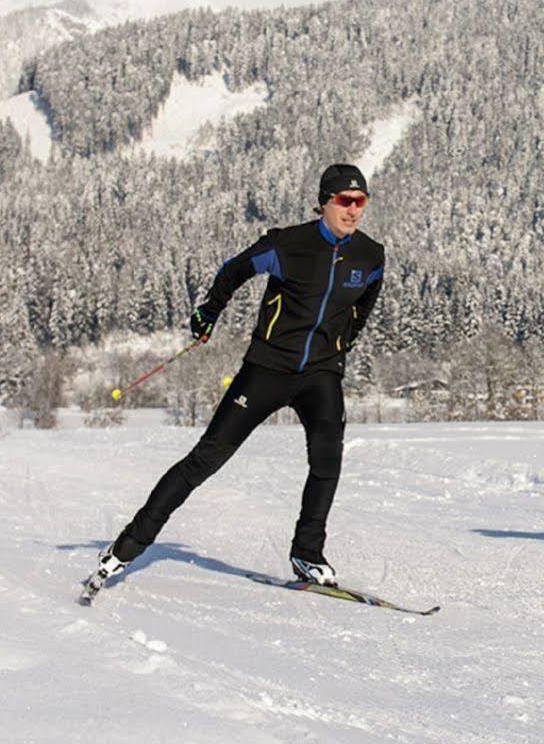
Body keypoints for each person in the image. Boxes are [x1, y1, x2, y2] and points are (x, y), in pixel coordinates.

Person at [82, 164, 385, 600]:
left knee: (327, 462)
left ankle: (307, 553)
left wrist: (340, 347)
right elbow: (234, 268)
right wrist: (210, 310)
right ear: (324, 202)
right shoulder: (289, 244)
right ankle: (126, 547)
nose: (353, 210)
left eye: (361, 202)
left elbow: (364, 305)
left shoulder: (370, 256)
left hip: (321, 373)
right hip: (267, 369)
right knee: (205, 459)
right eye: (344, 201)